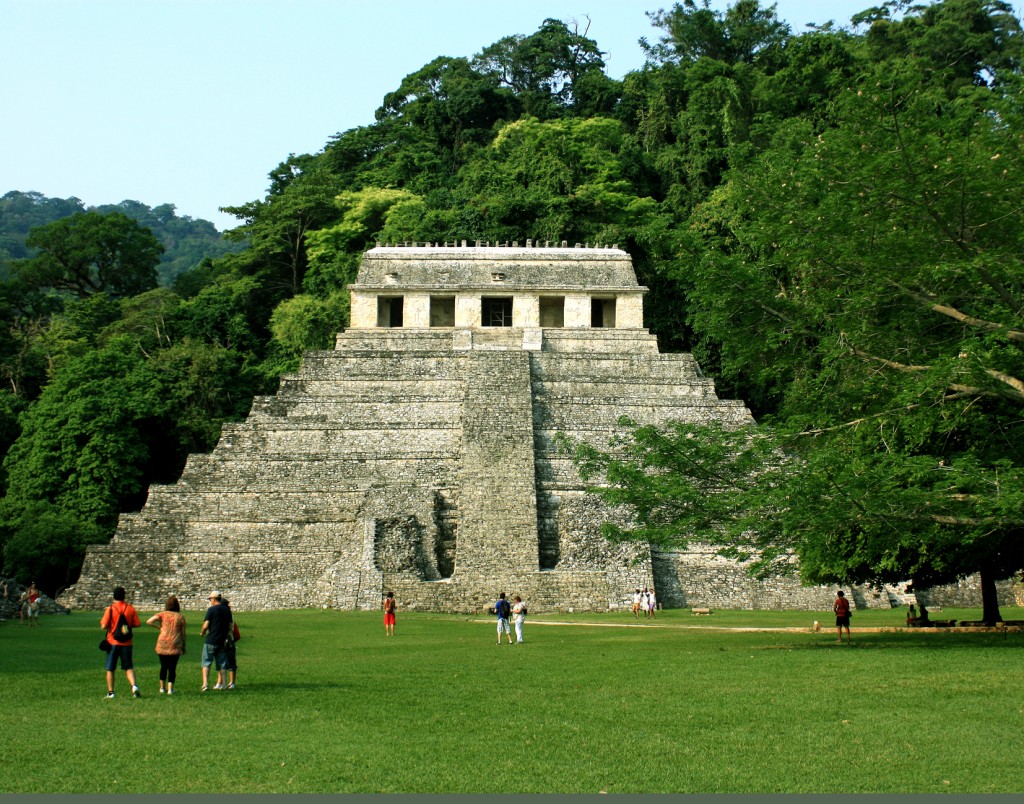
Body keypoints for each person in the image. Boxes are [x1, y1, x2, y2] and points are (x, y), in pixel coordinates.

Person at [100, 586, 142, 698]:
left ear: (114, 596)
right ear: (124, 596)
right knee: (128, 667)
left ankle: (111, 692)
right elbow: (137, 624)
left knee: (110, 668)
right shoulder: (130, 608)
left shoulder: (110, 609)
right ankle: (134, 686)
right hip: (127, 643)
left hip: (112, 642)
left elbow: (103, 626)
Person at [147, 595, 186, 695]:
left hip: (162, 643)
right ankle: (170, 689)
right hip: (175, 643)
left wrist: (159, 627)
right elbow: (183, 633)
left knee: (163, 666)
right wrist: (184, 645)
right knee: (172, 667)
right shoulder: (180, 617)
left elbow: (149, 621)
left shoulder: (162, 615)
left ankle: (162, 687)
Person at [199, 590, 233, 691]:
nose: (210, 601)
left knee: (206, 662)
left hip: (211, 639)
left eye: (210, 599)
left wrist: (202, 632)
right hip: (222, 640)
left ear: (213, 599)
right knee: (222, 663)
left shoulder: (211, 610)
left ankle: (205, 684)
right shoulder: (227, 610)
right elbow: (231, 626)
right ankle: (223, 684)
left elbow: (206, 624)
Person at [219, 598, 240, 690]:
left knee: (228, 662)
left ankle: (229, 682)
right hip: (228, 639)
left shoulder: (226, 615)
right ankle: (224, 682)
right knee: (224, 661)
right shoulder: (229, 614)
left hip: (227, 639)